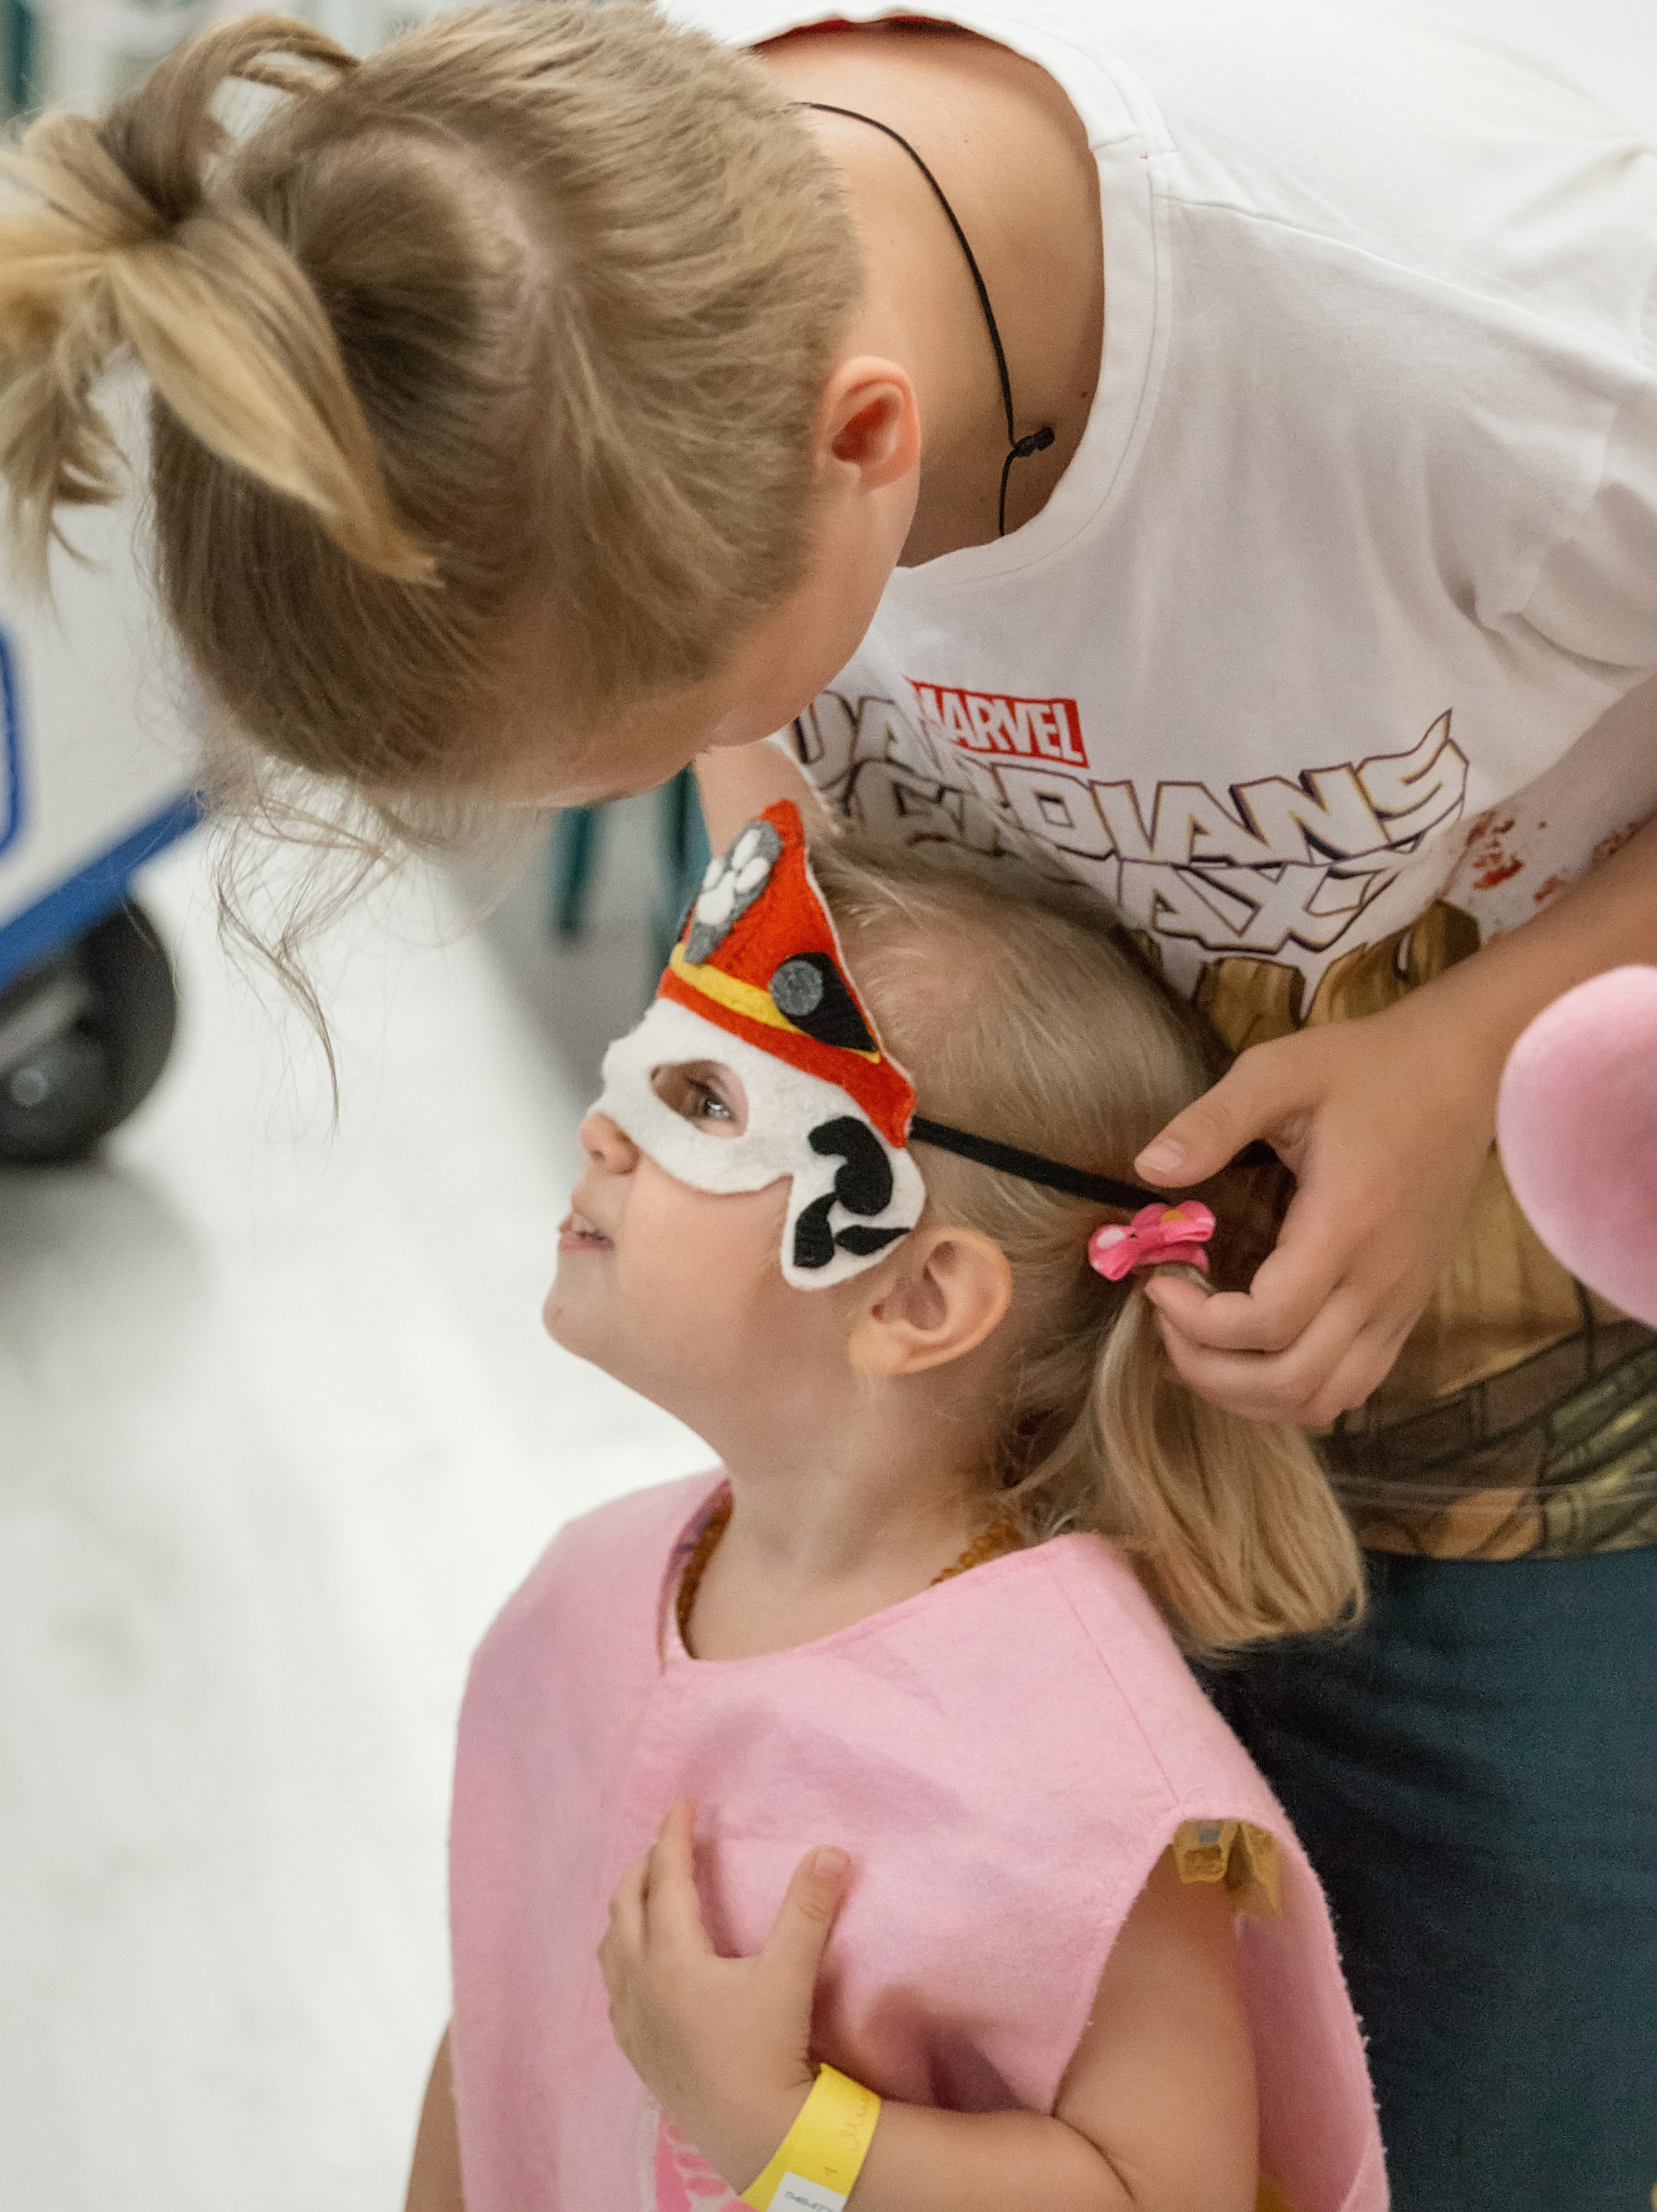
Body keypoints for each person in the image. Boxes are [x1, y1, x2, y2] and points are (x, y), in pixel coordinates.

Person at [2, 0, 1654, 2200]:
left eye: (670, 712)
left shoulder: (1485, 345)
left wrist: (1470, 1048)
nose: (728, 953)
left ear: (865, 443)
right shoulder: (577, 257)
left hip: (1542, 1304)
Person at [408, 802, 1383, 2212]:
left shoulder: (1082, 1766)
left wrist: (777, 2130)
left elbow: (1168, 2192)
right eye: (646, 1071)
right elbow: (503, 2034)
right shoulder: (587, 1593)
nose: (603, 1126)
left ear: (916, 1297)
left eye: (703, 1107)